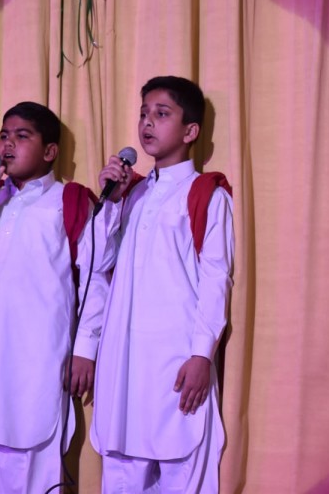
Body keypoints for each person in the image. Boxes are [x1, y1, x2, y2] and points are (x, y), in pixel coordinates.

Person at [75, 76, 235, 492]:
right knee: (122, 472)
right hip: (124, 364)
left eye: (161, 114)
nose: (147, 122)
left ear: (190, 131)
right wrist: (110, 201)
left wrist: (202, 354)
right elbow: (95, 264)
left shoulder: (206, 194)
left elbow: (215, 278)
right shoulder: (130, 195)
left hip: (176, 361)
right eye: (143, 113)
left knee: (182, 467)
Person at [0, 101, 103, 493]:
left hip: (37, 370)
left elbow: (96, 279)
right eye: (4, 135)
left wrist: (86, 350)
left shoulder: (69, 202)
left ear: (50, 151)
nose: (7, 144)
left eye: (22, 135)